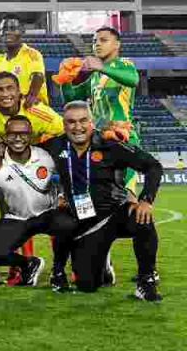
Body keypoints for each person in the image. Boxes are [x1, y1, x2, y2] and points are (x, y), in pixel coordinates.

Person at [42, 101, 163, 301]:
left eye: (83, 121)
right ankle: (101, 264)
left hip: (117, 213)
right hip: (89, 223)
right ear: (64, 125)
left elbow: (153, 166)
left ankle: (146, 281)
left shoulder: (111, 145)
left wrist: (146, 200)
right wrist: (0, 147)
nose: (77, 127)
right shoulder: (55, 145)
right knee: (87, 284)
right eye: (71, 122)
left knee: (143, 218)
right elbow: (24, 152)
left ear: (92, 123)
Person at [0, 116, 77, 288]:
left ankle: (58, 271)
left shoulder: (46, 157)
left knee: (69, 224)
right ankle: (28, 264)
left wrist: (63, 196)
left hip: (47, 214)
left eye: (23, 133)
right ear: (5, 136)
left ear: (30, 135)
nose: (18, 138)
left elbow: (68, 177)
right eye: (12, 134)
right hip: (17, 218)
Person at [56, 27, 140, 185]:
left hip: (122, 139)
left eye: (103, 40)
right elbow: (70, 100)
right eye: (94, 41)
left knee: (126, 194)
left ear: (117, 45)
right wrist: (65, 79)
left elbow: (133, 80)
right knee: (99, 194)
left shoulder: (124, 64)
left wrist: (102, 67)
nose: (97, 44)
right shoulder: (95, 76)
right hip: (97, 141)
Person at [0, 72, 63, 145]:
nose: (5, 94)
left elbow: (65, 130)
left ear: (18, 91)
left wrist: (46, 147)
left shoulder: (38, 113)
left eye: (10, 89)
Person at [0, 14, 49, 107]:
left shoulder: (32, 54)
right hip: (7, 111)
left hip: (32, 110)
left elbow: (38, 76)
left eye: (12, 28)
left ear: (22, 31)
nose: (7, 32)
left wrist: (32, 95)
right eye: (4, 29)